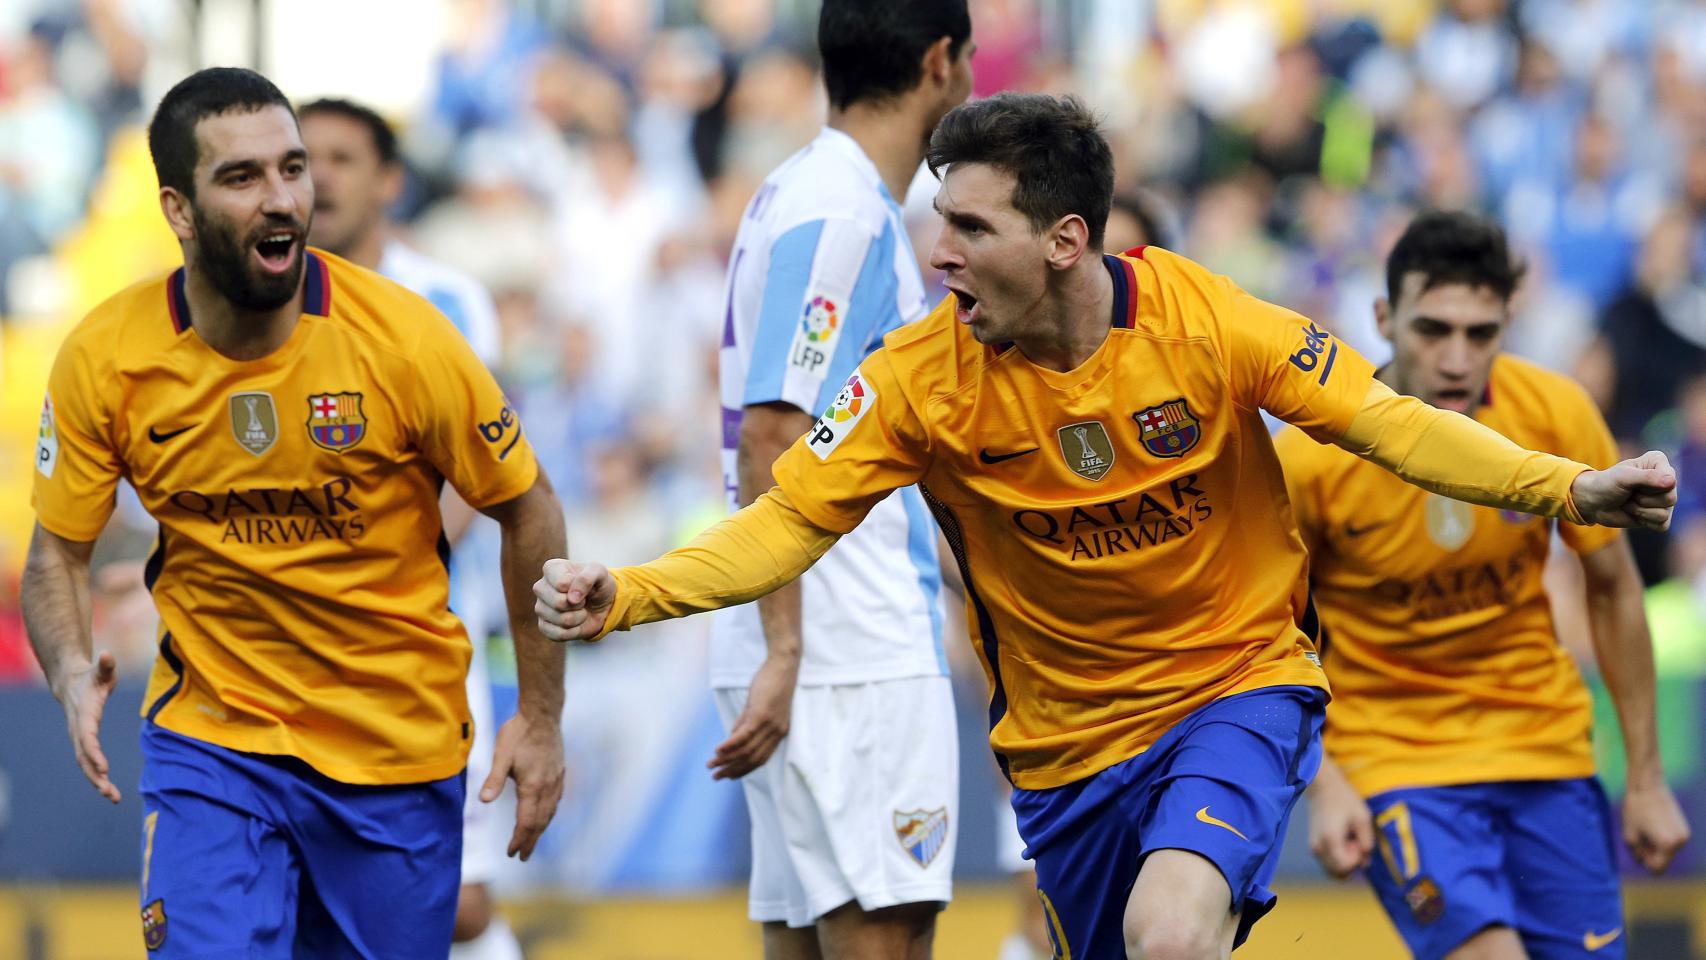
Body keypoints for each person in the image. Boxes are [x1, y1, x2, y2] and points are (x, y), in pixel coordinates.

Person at [533, 93, 1678, 960]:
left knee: (1169, 930)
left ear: (1065, 242)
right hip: (1065, 753)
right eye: (938, 223)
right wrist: (628, 592)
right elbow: (780, 525)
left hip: (1234, 687)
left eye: (970, 229)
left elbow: (1386, 423)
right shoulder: (914, 379)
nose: (937, 255)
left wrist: (1561, 490)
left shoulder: (1204, 321)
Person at [23, 68, 567, 958]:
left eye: (292, 169)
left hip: (392, 749)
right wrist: (70, 667)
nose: (281, 200)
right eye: (241, 178)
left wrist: (540, 717)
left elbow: (528, 506)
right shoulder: (107, 356)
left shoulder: (409, 337)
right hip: (214, 746)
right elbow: (56, 552)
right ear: (179, 209)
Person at [1281, 211, 1690, 960]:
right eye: (1433, 329)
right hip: (1397, 760)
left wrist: (1647, 778)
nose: (1456, 359)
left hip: (1545, 748)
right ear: (1382, 318)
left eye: (1481, 333)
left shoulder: (1554, 411)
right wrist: (1327, 778)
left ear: (1509, 322)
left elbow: (1614, 589)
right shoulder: (1313, 455)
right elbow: (1269, 635)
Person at [707, 2, 973, 957]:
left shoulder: (804, 189)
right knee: (883, 941)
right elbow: (775, 434)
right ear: (941, 61)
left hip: (811, 640)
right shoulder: (842, 213)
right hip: (843, 648)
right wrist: (786, 648)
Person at [300, 96, 525, 960]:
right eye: (300, 157)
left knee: (453, 902)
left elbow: (486, 470)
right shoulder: (256, 304)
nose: (317, 175)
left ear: (390, 181)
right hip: (289, 647)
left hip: (421, 635)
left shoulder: (445, 297)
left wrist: (373, 575)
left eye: (341, 157)